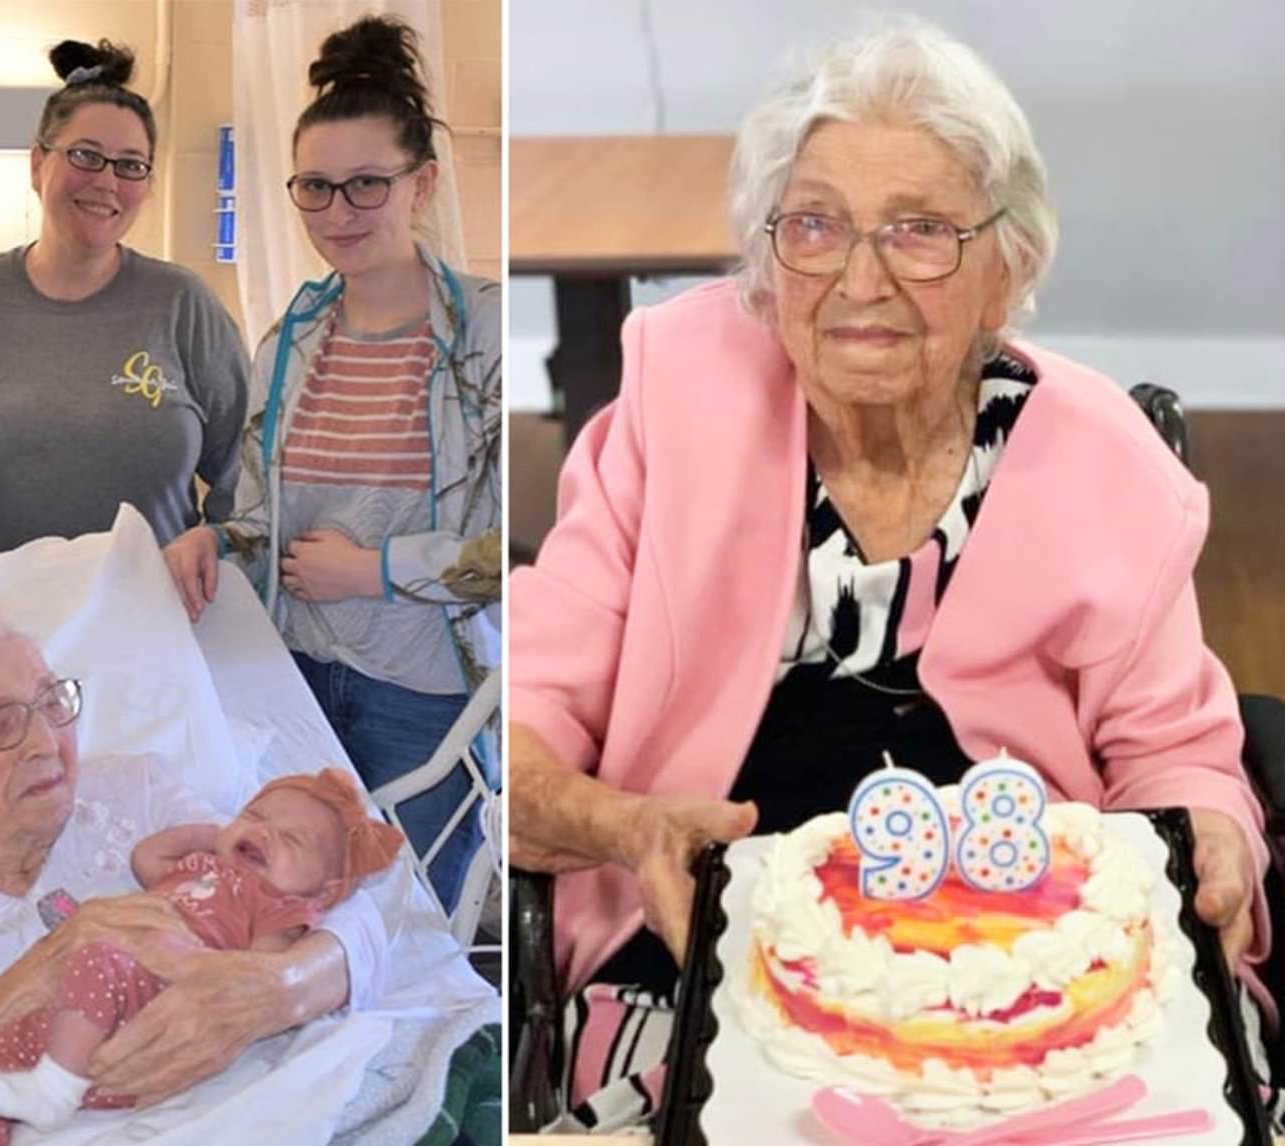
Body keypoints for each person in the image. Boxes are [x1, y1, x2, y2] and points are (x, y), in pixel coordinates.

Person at [506, 18, 1273, 1128]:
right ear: (771, 262)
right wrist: (629, 829)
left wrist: (1207, 839)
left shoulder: (1109, 465)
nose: (859, 279)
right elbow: (522, 725)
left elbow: (1179, 755)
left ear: (1007, 266)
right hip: (692, 943)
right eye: (815, 226)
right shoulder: (672, 408)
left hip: (1030, 974)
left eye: (919, 231)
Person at [0, 592, 391, 1146]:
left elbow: (341, 903)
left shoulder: (136, 795)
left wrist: (276, 989)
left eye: (51, 702)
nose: (46, 742)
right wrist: (37, 974)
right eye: (0, 726)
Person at [161, 16, 502, 914]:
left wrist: (374, 571)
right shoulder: (290, 342)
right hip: (298, 679)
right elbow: (266, 517)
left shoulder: (491, 339)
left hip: (424, 694)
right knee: (295, 920)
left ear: (421, 184)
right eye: (315, 188)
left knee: (418, 922)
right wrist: (214, 538)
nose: (338, 215)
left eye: (365, 186)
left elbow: (532, 545)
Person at [0, 39, 249, 555]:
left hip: (148, 621)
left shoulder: (185, 308)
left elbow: (248, 480)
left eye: (131, 165)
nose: (106, 181)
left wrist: (217, 555)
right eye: (85, 156)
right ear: (38, 165)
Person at [0, 768, 404, 1141]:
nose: (263, 833)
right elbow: (146, 859)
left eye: (291, 840)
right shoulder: (204, 866)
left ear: (323, 892)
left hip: (155, 1001)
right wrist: (212, 835)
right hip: (93, 1001)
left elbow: (247, 979)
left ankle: (57, 1087)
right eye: (255, 815)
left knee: (97, 955)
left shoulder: (280, 908)